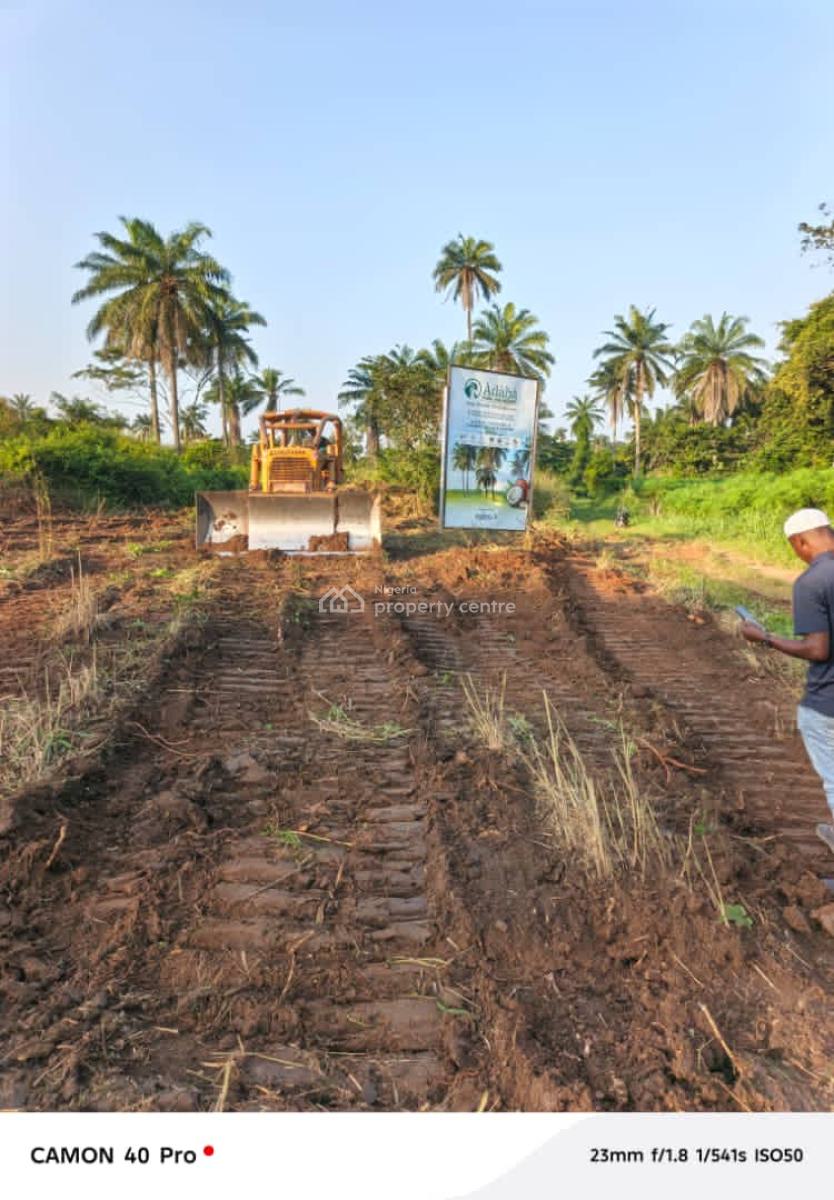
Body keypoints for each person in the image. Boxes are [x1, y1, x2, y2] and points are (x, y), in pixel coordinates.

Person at [741, 508, 834, 856]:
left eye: (795, 547)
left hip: (827, 704)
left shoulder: (813, 582)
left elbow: (817, 648)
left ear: (801, 541)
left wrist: (764, 638)